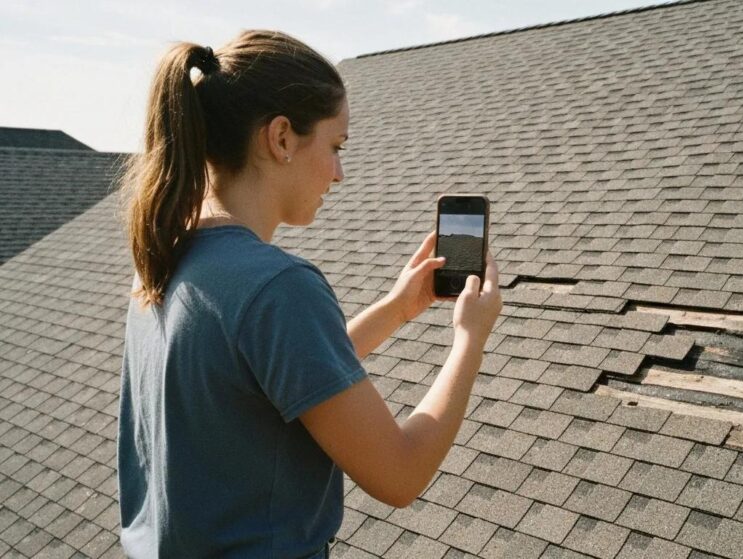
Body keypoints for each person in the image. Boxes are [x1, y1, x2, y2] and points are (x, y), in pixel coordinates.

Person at [115, 29, 502, 558]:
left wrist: (396, 309)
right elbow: (401, 474)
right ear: (280, 138)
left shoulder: (161, 256)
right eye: (336, 146)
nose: (340, 174)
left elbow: (274, 378)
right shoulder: (277, 288)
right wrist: (469, 340)